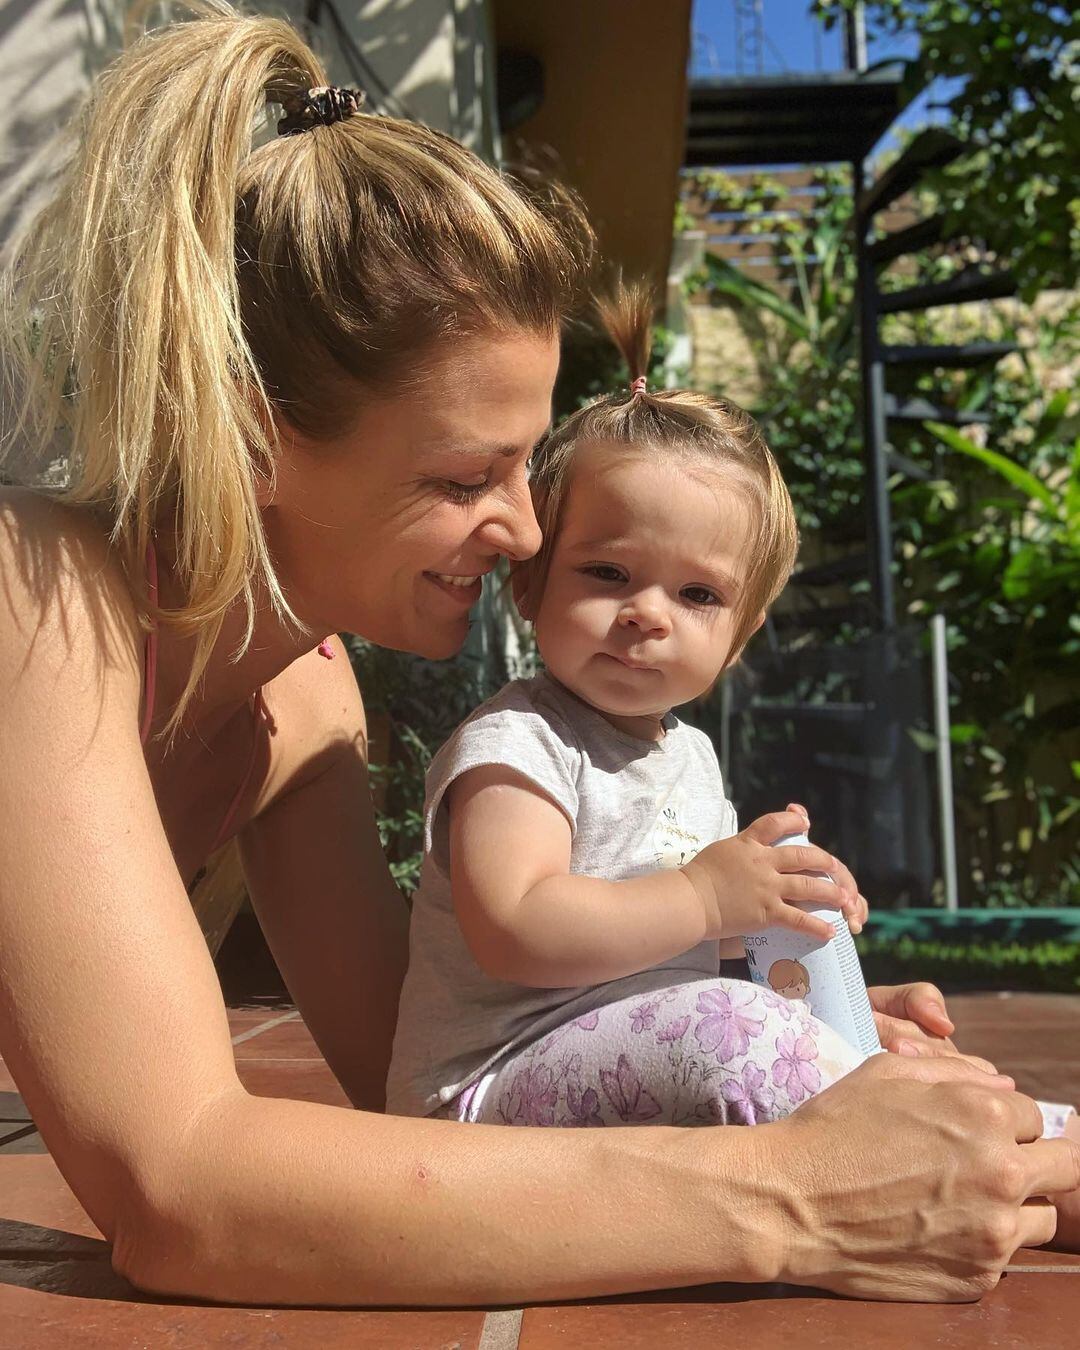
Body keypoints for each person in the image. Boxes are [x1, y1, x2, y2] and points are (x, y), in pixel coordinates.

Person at [0, 2, 1076, 1311]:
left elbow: (423, 1082)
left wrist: (803, 1046)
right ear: (251, 427)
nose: (522, 529)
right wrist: (794, 1193)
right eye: (467, 475)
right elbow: (187, 1192)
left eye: (526, 463)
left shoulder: (306, 693)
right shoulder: (37, 605)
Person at [386, 285, 1079, 1160]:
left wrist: (793, 947)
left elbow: (677, 963)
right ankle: (978, 1154)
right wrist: (704, 896)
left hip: (632, 1053)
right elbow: (514, 926)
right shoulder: (517, 744)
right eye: (607, 573)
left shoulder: (692, 761)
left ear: (738, 636)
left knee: (797, 1019)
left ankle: (990, 1128)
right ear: (530, 583)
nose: (648, 613)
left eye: (697, 594)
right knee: (740, 1035)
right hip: (487, 1090)